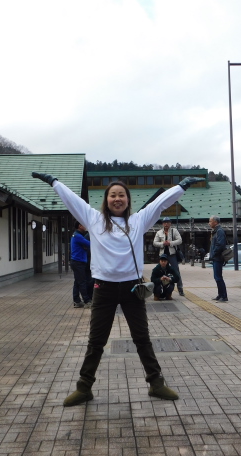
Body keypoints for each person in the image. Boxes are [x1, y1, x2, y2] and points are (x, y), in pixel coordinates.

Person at [32, 171, 205, 407]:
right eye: (112, 195)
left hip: (133, 288)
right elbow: (72, 200)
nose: (117, 199)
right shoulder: (93, 219)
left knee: (142, 338)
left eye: (121, 195)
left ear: (127, 199)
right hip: (103, 288)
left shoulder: (138, 221)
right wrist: (54, 182)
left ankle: (156, 383)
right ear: (106, 200)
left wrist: (181, 186)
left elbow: (160, 203)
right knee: (96, 341)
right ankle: (84, 387)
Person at [153, 217, 184, 296]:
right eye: (164, 222)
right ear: (162, 224)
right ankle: (159, 289)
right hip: (162, 255)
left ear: (170, 223)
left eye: (168, 222)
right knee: (159, 271)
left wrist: (170, 243)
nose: (166, 224)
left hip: (172, 254)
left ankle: (180, 289)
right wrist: (162, 243)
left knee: (176, 271)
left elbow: (180, 240)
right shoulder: (159, 232)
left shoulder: (174, 231)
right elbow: (155, 243)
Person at [70, 221, 92, 308]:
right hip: (78, 262)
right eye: (84, 224)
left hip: (77, 261)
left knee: (77, 282)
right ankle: (87, 301)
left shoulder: (76, 235)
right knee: (82, 282)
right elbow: (89, 244)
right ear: (80, 226)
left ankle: (77, 301)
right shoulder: (78, 236)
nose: (86, 226)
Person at [208, 215, 228, 302]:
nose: (209, 223)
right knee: (217, 277)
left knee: (218, 277)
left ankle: (224, 296)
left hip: (218, 257)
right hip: (216, 257)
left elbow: (220, 245)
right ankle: (220, 295)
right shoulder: (215, 231)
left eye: (210, 221)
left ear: (215, 222)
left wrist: (214, 253)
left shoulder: (219, 231)